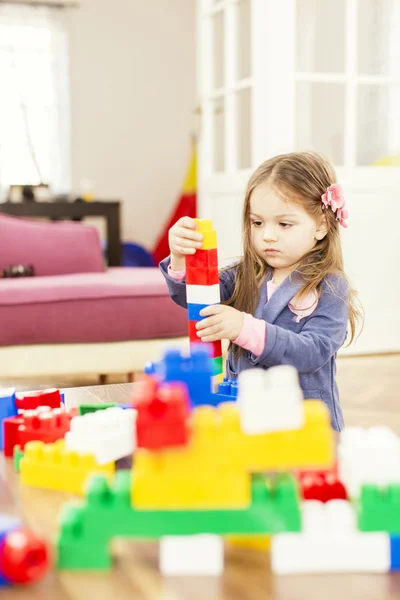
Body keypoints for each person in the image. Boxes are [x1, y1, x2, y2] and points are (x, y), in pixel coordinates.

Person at [159, 152, 363, 431]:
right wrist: (180, 258)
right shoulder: (245, 273)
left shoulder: (330, 285)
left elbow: (313, 352)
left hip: (303, 426)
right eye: (258, 223)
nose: (268, 235)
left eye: (284, 224)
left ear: (321, 226)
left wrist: (245, 328)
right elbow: (195, 300)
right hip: (247, 420)